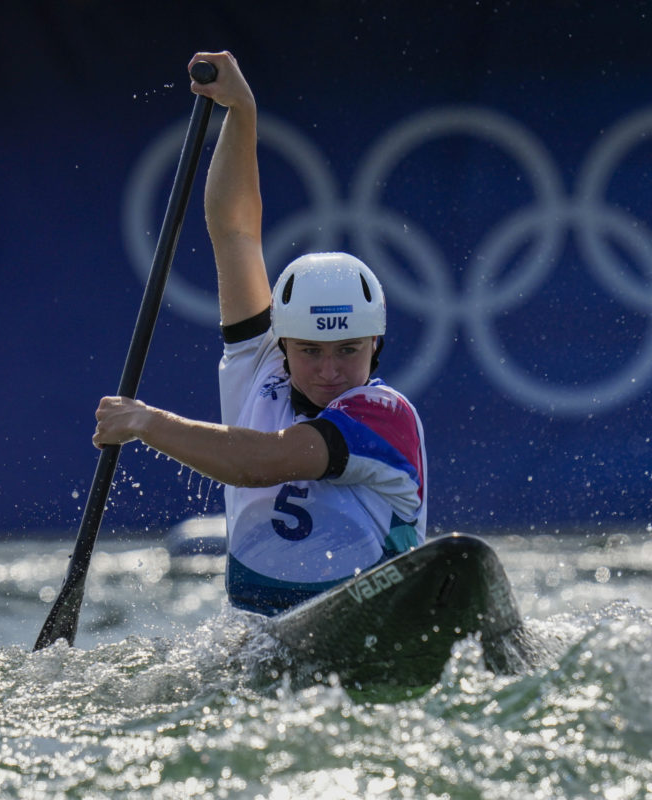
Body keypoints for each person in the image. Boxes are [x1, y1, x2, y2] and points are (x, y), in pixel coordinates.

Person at [92, 51, 427, 615]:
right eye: (309, 351)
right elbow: (235, 231)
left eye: (349, 350)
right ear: (283, 345)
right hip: (254, 638)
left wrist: (148, 422)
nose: (329, 370)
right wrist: (241, 110)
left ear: (377, 345)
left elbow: (263, 462)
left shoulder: (386, 417)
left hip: (368, 617)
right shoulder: (259, 365)